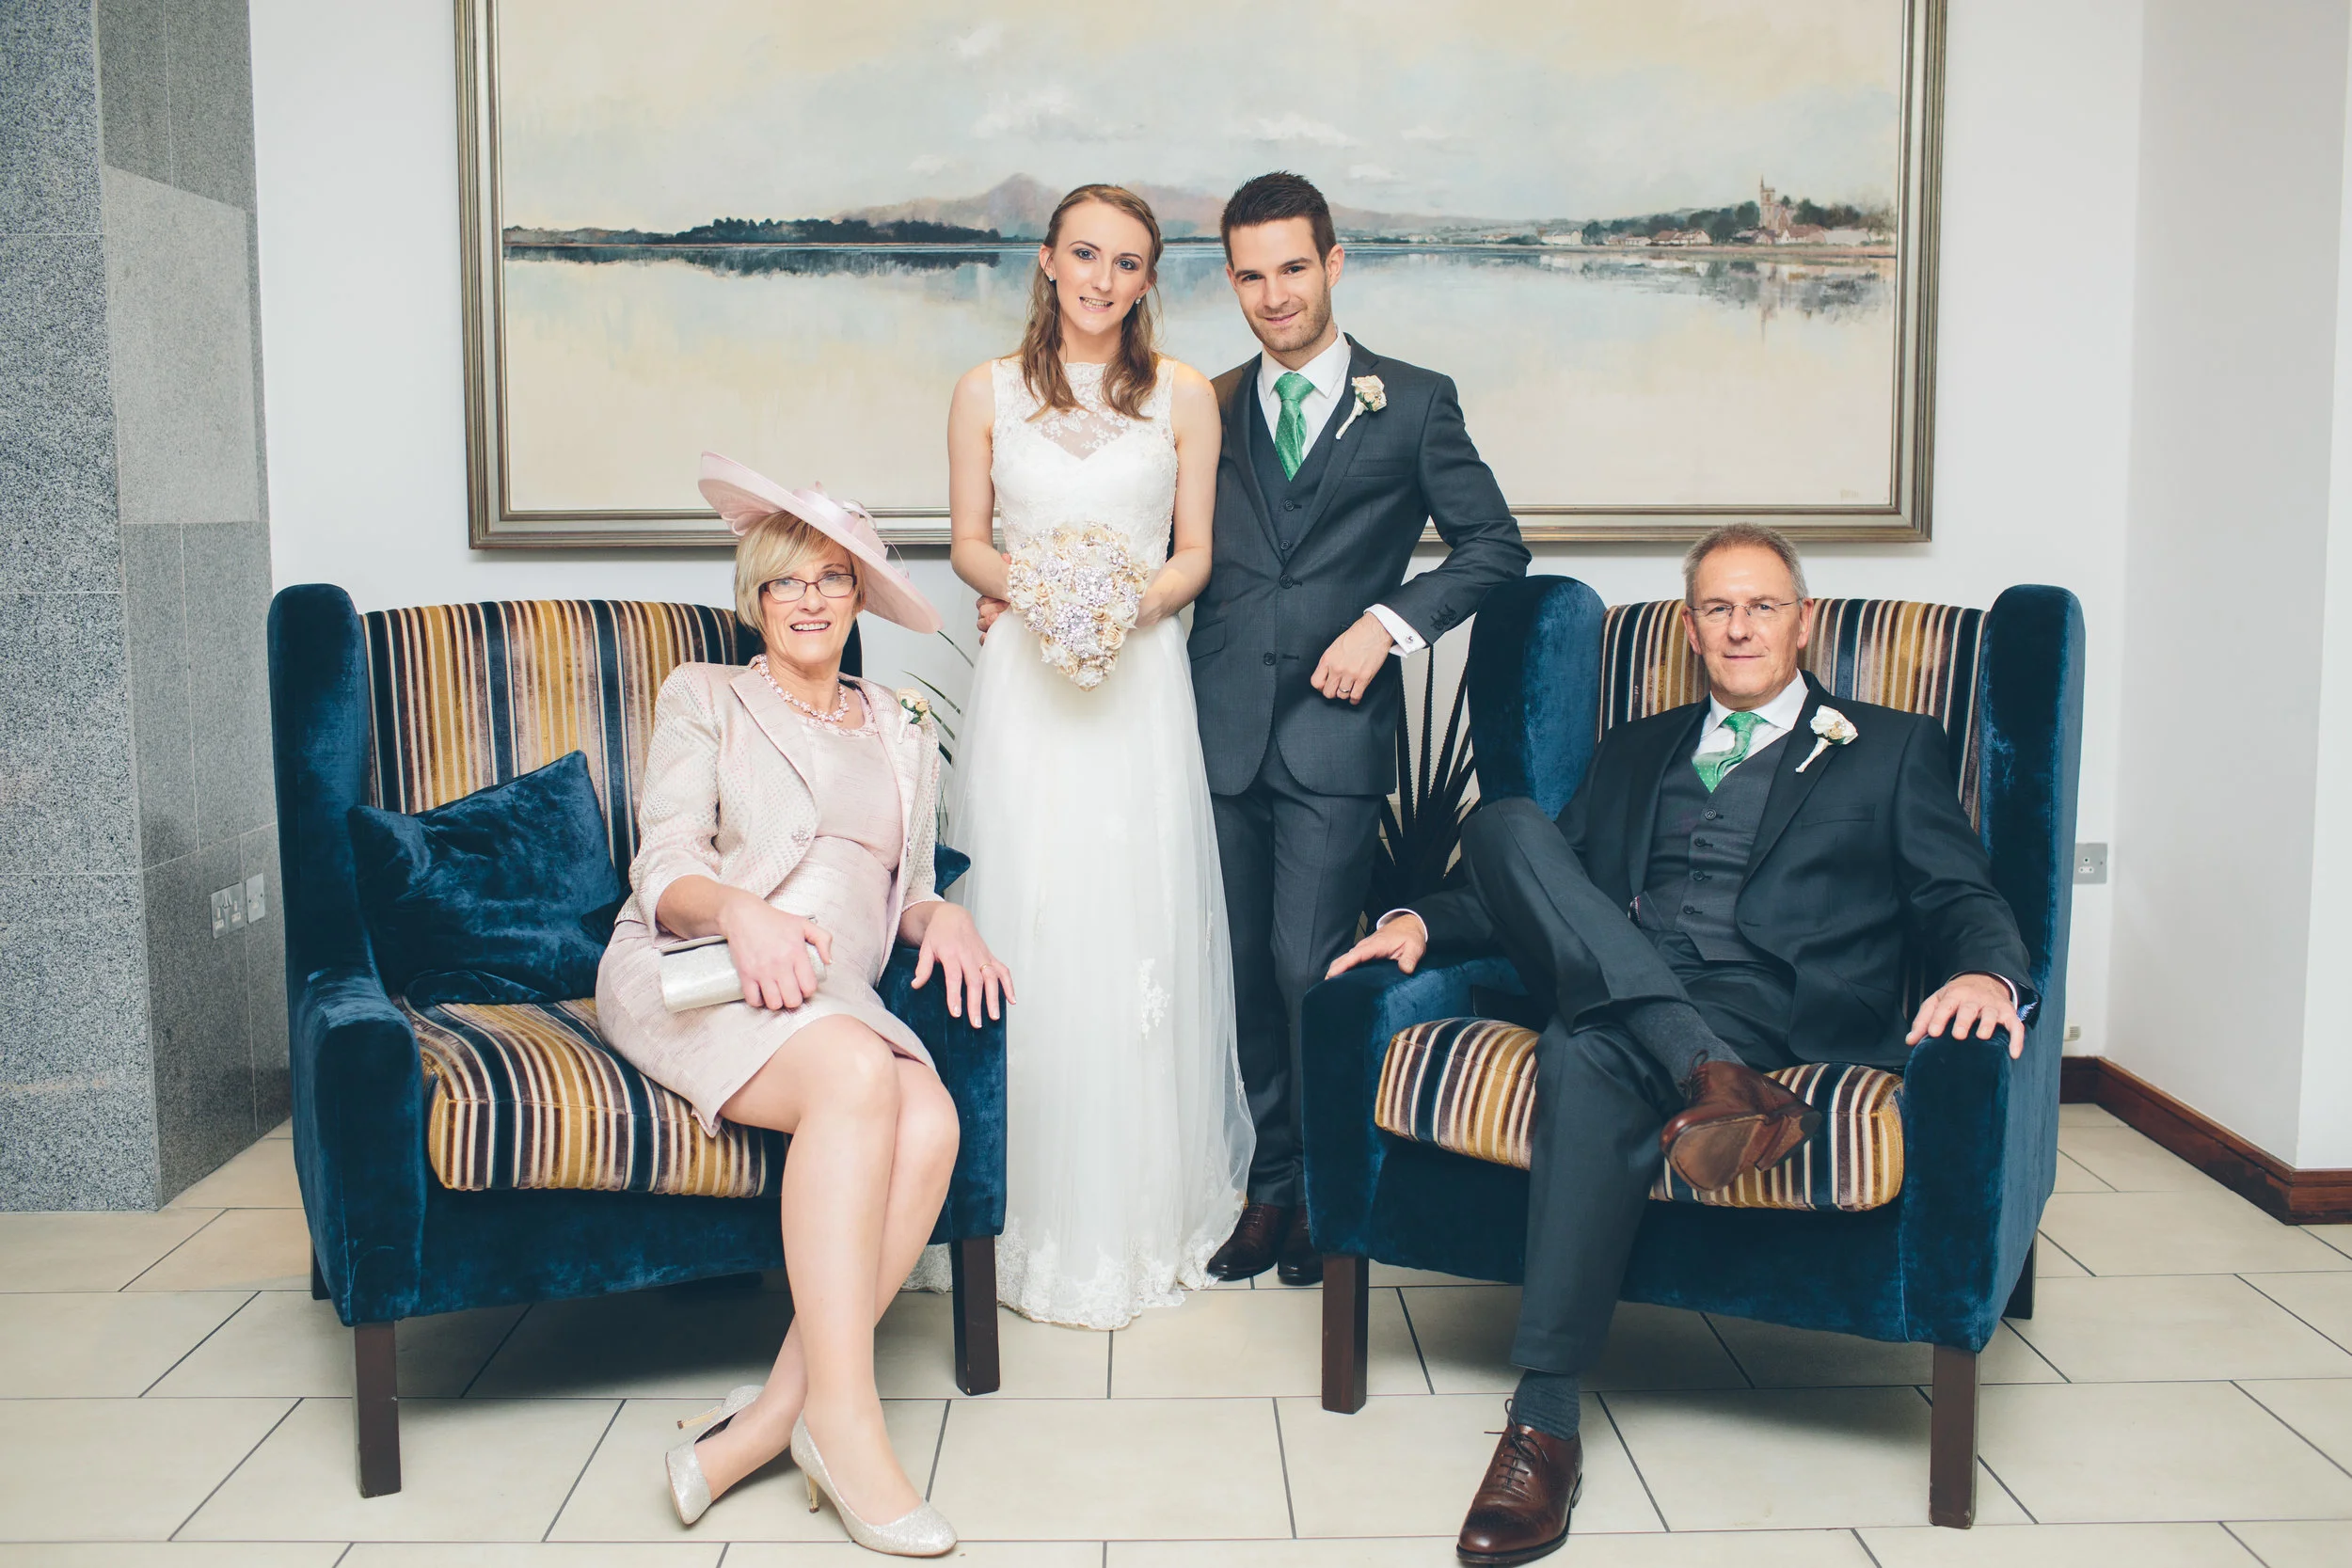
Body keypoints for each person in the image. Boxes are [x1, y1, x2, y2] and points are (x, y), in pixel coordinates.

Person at [1329, 522, 2036, 1565]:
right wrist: (1424, 922)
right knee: (1506, 825)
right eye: (1717, 608)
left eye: (1762, 605)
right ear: (1692, 630)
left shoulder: (1890, 746)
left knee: (1583, 1043)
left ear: (1801, 621)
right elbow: (1548, 886)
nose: (1740, 627)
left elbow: (1957, 892)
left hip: (1771, 1006)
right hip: (1630, 975)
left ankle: (1542, 1422)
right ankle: (1705, 1077)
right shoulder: (1635, 747)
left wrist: (1988, 973)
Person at [596, 454, 1011, 1556]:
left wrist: (945, 917)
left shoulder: (903, 727)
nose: (811, 598)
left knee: (934, 1120)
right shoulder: (705, 696)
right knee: (862, 1073)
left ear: (859, 592)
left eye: (833, 576)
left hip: (829, 990)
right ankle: (850, 1425)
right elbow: (663, 865)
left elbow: (905, 889)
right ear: (756, 596)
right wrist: (742, 915)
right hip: (698, 968)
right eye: (787, 579)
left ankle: (772, 1421)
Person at [1192, 171, 1530, 1286]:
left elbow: (1494, 545)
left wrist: (1386, 625)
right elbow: (1149, 543)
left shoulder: (1415, 402)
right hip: (1217, 725)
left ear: (1333, 264)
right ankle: (1270, 1187)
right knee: (1242, 970)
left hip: (1334, 738)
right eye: (1252, 275)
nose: (1275, 294)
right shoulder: (1205, 403)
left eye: (1294, 267)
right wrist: (1040, 598)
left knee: (1306, 966)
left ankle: (1324, 1189)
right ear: (1231, 280)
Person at [946, 184, 1254, 1328]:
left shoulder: (1184, 394)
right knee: (1025, 905)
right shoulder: (983, 390)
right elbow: (969, 544)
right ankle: (1011, 1205)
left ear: (1147, 280)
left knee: (1128, 920)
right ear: (1047, 260)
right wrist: (1041, 593)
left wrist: (1125, 607)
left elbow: (1195, 552)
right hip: (1027, 682)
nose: (1102, 279)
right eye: (1084, 254)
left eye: (1127, 263)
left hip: (1140, 681)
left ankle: (1132, 1213)